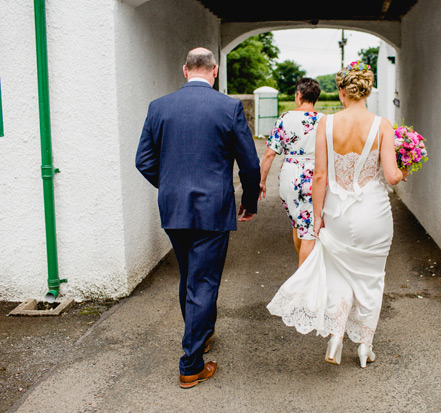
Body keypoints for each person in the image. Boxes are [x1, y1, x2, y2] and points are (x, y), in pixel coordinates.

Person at [267, 61, 407, 368]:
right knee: (371, 279)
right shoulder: (382, 125)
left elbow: (319, 176)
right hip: (373, 213)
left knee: (339, 272)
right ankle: (365, 347)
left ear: (341, 91)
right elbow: (392, 176)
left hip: (337, 212)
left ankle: (336, 337)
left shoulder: (325, 125)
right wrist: (405, 168)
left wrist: (317, 217)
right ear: (367, 91)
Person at [135, 48, 261, 388]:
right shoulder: (228, 107)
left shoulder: (159, 107)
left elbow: (143, 161)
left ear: (184, 70)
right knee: (203, 281)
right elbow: (250, 163)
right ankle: (191, 364)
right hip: (212, 209)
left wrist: (172, 186)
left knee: (190, 275)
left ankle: (201, 335)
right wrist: (249, 202)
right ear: (215, 71)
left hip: (174, 208)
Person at [259, 78, 324, 267]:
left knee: (297, 223)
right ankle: (303, 278)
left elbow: (270, 154)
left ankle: (302, 274)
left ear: (299, 95)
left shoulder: (284, 118)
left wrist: (262, 181)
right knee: (309, 229)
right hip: (313, 175)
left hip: (290, 175)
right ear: (316, 98)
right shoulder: (324, 120)